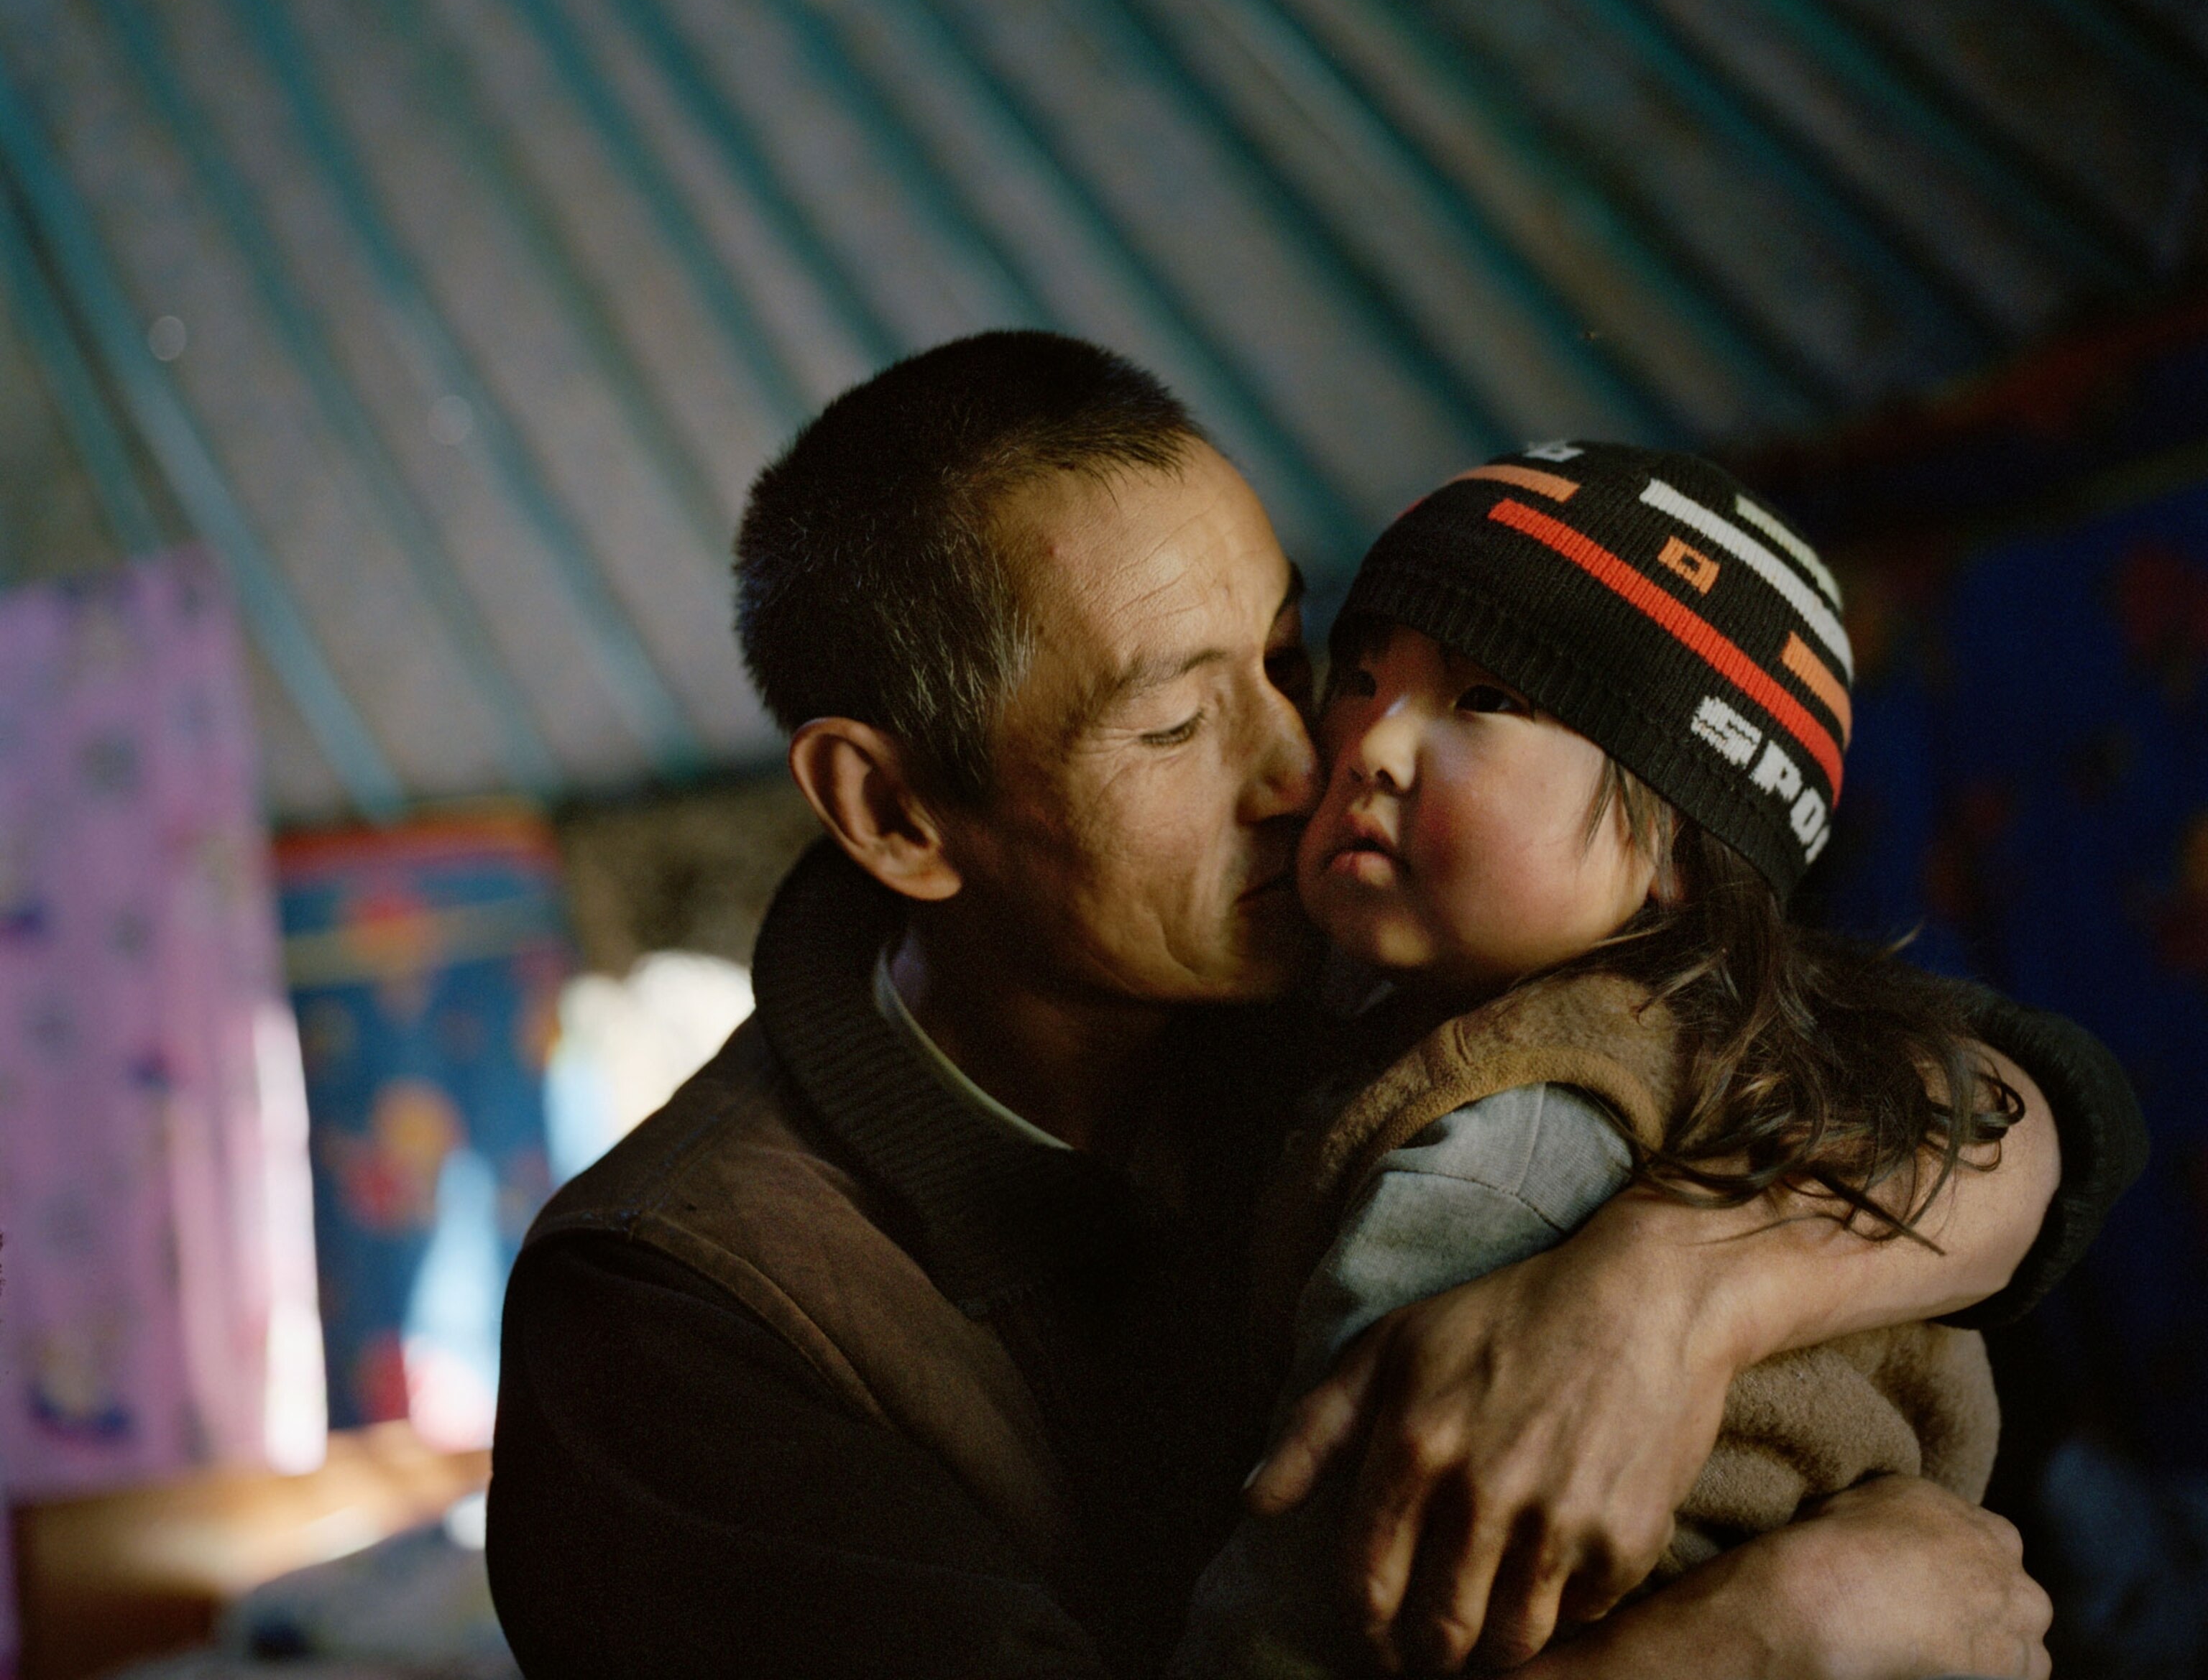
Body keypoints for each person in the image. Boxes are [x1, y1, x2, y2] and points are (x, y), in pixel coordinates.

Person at [486, 334, 2145, 1680]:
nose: (1309, 768)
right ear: (897, 816)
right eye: (1170, 729)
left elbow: (2042, 1107)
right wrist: (1767, 1644)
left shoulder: (1360, 969)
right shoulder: (670, 1320)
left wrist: (1672, 1289)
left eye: (1292, 657)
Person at [1172, 443, 2032, 1679]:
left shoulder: (1503, 1135)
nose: (1372, 744)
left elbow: (1323, 1590)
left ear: (1680, 840)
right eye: (1359, 680)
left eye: (1484, 702)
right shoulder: (1779, 1065)